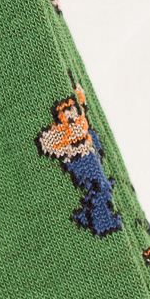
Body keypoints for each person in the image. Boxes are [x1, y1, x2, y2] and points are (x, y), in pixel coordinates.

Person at [36, 85, 122, 236]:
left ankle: (94, 219)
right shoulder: (61, 133)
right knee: (96, 189)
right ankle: (101, 222)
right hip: (79, 162)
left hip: (86, 158)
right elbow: (45, 142)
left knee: (100, 189)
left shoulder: (78, 123)